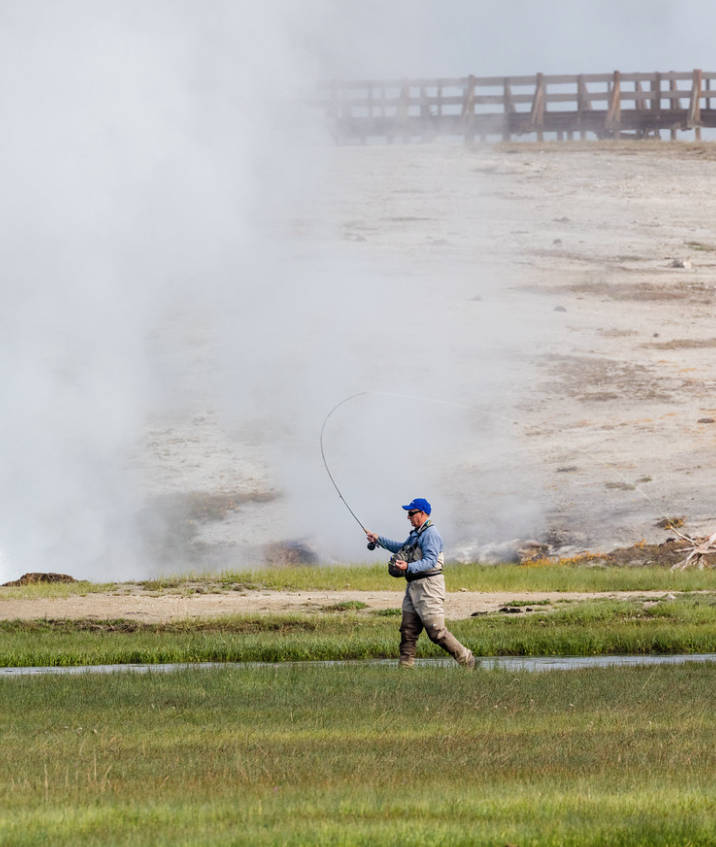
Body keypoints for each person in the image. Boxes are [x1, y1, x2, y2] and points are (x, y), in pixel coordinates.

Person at [366, 498, 475, 669]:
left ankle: (467, 659)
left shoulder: (431, 534)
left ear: (422, 513)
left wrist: (408, 566)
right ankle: (405, 669)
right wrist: (378, 539)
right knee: (408, 630)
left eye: (411, 513)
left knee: (436, 632)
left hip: (429, 586)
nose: (408, 517)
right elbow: (401, 548)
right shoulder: (417, 533)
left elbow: (430, 561)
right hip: (413, 586)